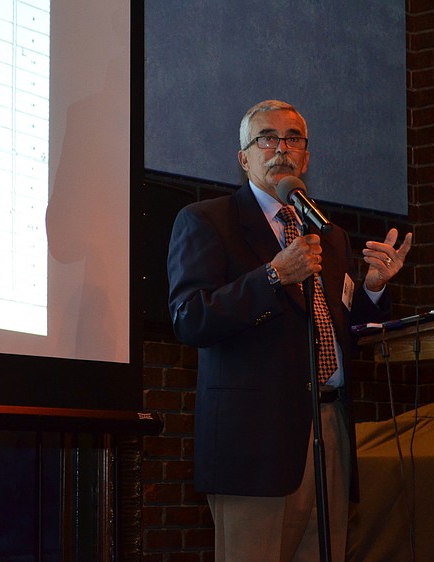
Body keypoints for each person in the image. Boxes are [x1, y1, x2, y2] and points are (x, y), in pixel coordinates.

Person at [167, 99, 412, 561]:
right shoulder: (207, 221)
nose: (281, 148)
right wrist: (273, 276)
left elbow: (339, 328)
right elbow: (189, 317)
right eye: (266, 138)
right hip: (254, 443)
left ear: (306, 157)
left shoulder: (327, 234)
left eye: (293, 138)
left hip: (329, 430)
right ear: (244, 158)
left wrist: (374, 290)